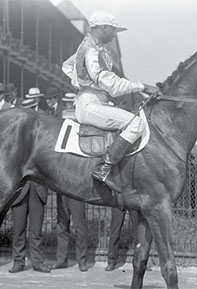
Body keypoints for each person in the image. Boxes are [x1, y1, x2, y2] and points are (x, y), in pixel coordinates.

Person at [61, 11, 159, 192]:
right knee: (136, 123)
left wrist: (81, 80)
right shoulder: (91, 51)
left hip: (94, 100)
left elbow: (67, 66)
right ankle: (103, 168)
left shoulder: (90, 47)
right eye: (113, 30)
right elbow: (111, 85)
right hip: (90, 104)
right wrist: (142, 86)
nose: (114, 35)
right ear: (103, 27)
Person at [50, 97, 89, 272]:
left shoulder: (81, 138)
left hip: (77, 186)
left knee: (80, 226)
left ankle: (82, 260)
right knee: (62, 225)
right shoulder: (60, 141)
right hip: (62, 186)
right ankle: (61, 259)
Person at [8, 183, 51, 273]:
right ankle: (18, 261)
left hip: (38, 187)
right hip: (20, 189)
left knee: (36, 229)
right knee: (18, 230)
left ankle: (37, 262)